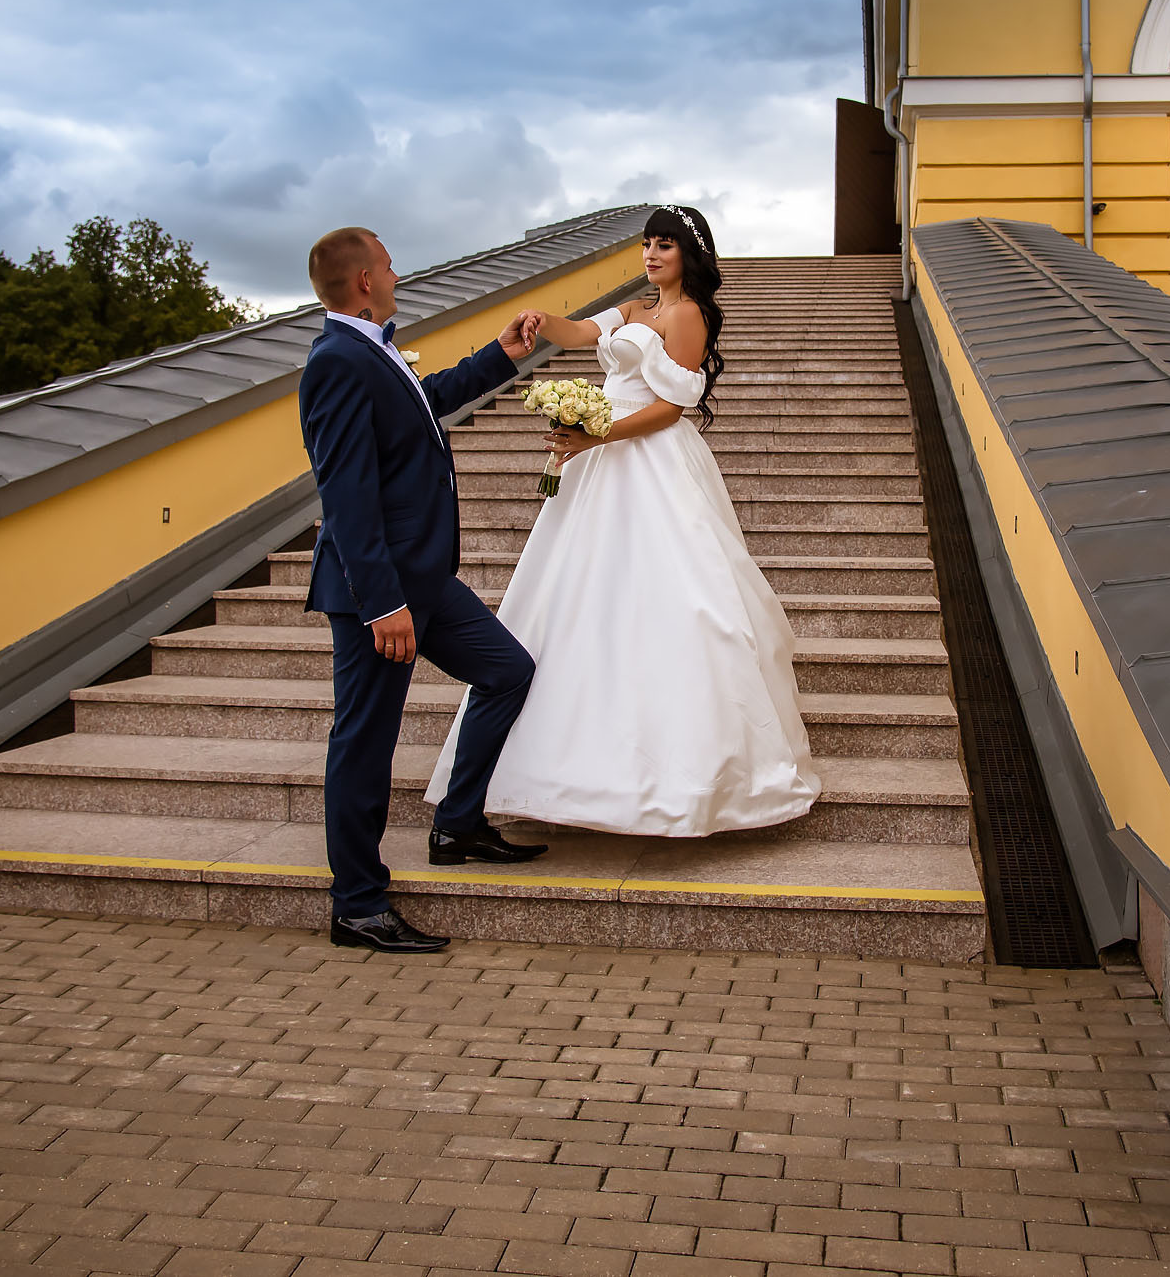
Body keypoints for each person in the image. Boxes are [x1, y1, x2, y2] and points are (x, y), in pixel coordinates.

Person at [424, 205, 818, 837]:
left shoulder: (690, 315)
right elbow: (581, 333)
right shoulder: (634, 310)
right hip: (598, 463)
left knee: (681, 600)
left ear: (689, 253)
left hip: (649, 456)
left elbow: (670, 407)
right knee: (576, 593)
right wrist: (538, 320)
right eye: (647, 244)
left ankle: (683, 775)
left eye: (665, 245)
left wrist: (597, 432)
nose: (652, 254)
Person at [298, 227, 550, 954]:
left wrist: (501, 355)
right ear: (365, 282)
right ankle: (358, 904)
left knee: (507, 671)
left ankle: (458, 823)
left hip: (425, 579)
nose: (396, 270)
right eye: (387, 263)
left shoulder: (370, 349)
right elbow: (346, 495)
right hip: (380, 593)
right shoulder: (338, 361)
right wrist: (382, 603)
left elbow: (426, 401)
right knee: (365, 741)